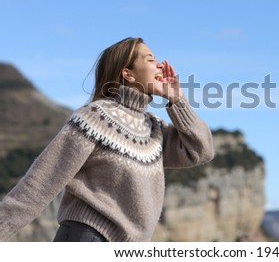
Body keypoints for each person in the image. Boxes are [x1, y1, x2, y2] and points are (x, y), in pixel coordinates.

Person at [0, 37, 215, 242]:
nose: (160, 65)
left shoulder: (155, 128)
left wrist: (177, 100)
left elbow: (201, 150)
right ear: (128, 74)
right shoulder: (96, 116)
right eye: (150, 59)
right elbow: (42, 180)